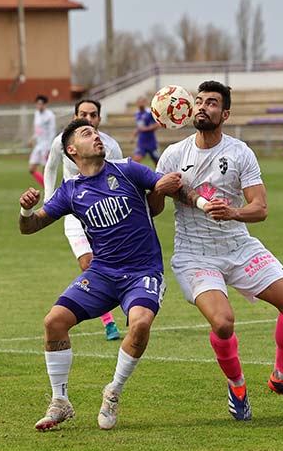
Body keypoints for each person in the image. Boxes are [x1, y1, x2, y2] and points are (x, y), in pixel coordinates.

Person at [155, 80, 283, 422]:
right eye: (198, 101)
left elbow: (260, 208)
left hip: (238, 245)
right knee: (224, 323)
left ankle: (282, 376)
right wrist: (160, 188)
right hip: (195, 254)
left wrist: (233, 212)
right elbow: (154, 208)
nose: (202, 107)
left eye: (211, 103)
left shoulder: (240, 151)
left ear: (224, 113)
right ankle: (238, 386)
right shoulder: (173, 154)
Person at [19, 118, 183, 431]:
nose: (96, 136)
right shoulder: (70, 191)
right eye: (87, 133)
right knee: (54, 322)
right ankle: (60, 401)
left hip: (142, 271)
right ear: (71, 150)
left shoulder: (127, 169)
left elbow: (158, 199)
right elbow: (31, 227)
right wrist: (26, 210)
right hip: (102, 273)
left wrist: (163, 188)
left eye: (96, 132)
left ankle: (113, 392)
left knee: (141, 325)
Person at [44, 99, 123, 341]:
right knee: (88, 264)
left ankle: (132, 298)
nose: (88, 118)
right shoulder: (61, 142)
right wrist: (49, 203)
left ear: (99, 119)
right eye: (83, 114)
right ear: (75, 116)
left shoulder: (110, 146)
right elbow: (49, 169)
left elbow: (119, 178)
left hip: (104, 214)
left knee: (110, 264)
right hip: (75, 215)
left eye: (93, 115)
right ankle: (108, 322)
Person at [29, 95, 56, 187]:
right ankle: (47, 188)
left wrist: (50, 149)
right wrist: (32, 138)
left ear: (45, 105)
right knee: (32, 169)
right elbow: (37, 130)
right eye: (38, 104)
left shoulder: (50, 116)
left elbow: (52, 132)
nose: (39, 106)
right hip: (38, 145)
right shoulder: (36, 113)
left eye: (41, 104)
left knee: (46, 172)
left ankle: (49, 193)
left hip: (46, 145)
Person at [132, 95, 160, 165]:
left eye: (142, 102)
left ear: (145, 102)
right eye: (139, 102)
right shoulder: (137, 114)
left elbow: (157, 124)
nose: (140, 104)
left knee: (158, 162)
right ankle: (134, 175)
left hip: (151, 142)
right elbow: (139, 127)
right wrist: (133, 135)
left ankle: (161, 175)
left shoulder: (149, 113)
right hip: (141, 142)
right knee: (136, 160)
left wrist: (146, 129)